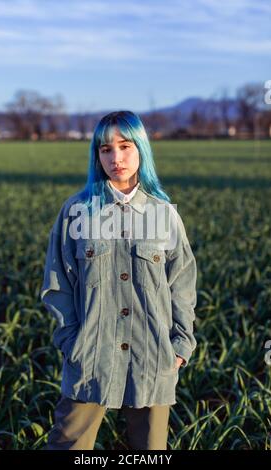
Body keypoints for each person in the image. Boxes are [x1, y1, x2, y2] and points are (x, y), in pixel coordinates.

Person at [40, 110, 197, 450]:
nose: (116, 158)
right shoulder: (76, 212)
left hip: (153, 359)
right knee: (68, 445)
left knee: (150, 451)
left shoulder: (163, 214)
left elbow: (182, 284)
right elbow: (57, 286)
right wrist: (72, 343)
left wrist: (180, 348)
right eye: (105, 149)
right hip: (90, 358)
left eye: (125, 146)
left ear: (141, 148)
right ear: (96, 156)